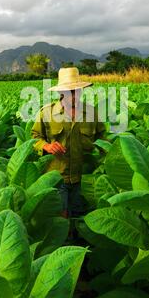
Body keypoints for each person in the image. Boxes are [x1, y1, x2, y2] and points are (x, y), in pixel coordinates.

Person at [31, 67, 106, 219]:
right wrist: (47, 146)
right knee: (61, 218)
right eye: (69, 92)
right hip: (57, 176)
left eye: (77, 90)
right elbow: (34, 137)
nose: (74, 95)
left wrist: (105, 160)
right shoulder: (47, 113)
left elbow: (103, 138)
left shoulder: (91, 112)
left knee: (81, 217)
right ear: (60, 92)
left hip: (83, 175)